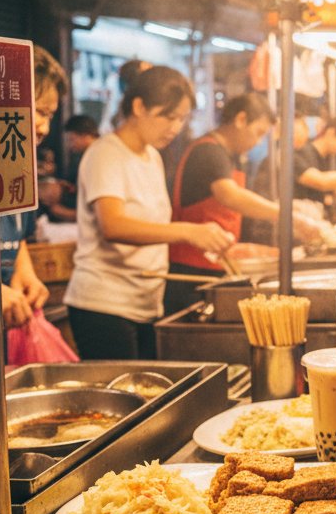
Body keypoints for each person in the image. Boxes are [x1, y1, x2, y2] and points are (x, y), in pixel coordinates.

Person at [64, 66, 233, 359]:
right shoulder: (106, 153)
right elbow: (113, 225)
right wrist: (189, 231)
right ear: (139, 106)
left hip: (146, 302)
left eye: (182, 118)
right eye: (169, 116)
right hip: (104, 306)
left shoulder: (152, 156)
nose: (175, 127)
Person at [0, 46, 66, 387]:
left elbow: (17, 237)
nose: (43, 126)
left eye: (49, 114)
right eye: (37, 111)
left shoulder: (16, 169)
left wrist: (25, 274)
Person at [166, 92, 319, 311]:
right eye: (258, 133)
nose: (257, 142)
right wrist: (285, 214)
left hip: (215, 263)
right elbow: (230, 196)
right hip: (192, 269)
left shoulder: (227, 155)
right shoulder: (208, 151)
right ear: (240, 120)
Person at [46, 114, 99, 223]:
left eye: (72, 139)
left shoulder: (97, 157)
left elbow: (97, 210)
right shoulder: (87, 155)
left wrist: (61, 211)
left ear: (85, 135)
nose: (70, 145)